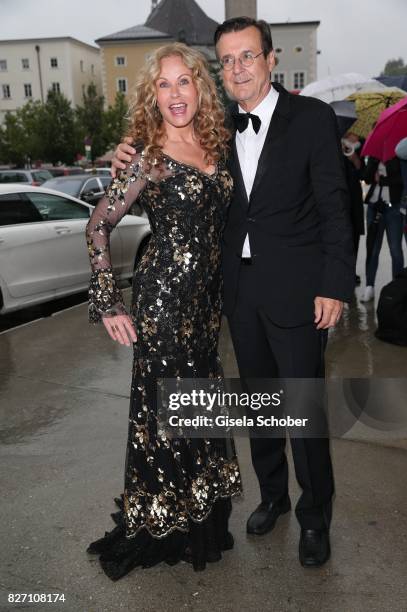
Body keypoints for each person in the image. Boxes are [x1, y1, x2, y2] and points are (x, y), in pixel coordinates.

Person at [112, 18, 355, 568]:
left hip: (299, 293)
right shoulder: (215, 126)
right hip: (237, 295)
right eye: (227, 60)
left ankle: (315, 517)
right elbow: (162, 150)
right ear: (218, 71)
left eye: (248, 56)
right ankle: (273, 497)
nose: (238, 68)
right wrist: (124, 152)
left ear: (271, 59)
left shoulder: (311, 119)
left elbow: (334, 208)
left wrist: (334, 284)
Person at [85, 42, 242, 581]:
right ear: (153, 95)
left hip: (204, 309)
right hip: (163, 305)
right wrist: (109, 303)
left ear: (200, 86)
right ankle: (172, 526)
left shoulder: (217, 144)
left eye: (184, 82)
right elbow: (98, 225)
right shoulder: (148, 157)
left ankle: (202, 518)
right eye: (164, 84)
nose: (176, 94)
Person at [361, 155, 405, 302]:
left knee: (395, 250)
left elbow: (402, 180)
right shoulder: (374, 156)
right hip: (375, 206)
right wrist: (373, 168)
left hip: (394, 208)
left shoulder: (399, 157)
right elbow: (366, 177)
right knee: (372, 248)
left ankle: (397, 287)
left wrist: (384, 179)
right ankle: (369, 286)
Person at [341, 132, 366, 284]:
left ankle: (351, 271)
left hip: (354, 198)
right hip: (338, 198)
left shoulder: (360, 143)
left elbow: (363, 173)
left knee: (354, 236)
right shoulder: (329, 141)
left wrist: (354, 158)